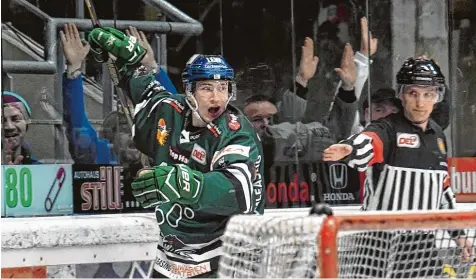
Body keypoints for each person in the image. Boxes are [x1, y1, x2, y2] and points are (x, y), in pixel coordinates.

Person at [88, 27, 265, 278]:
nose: (217, 97)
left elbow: (240, 191)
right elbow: (143, 87)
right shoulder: (169, 109)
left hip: (227, 257)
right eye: (206, 88)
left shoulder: (236, 131)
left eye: (223, 87)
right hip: (175, 256)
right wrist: (127, 60)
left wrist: (181, 183)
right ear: (189, 90)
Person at [323, 57, 474, 277]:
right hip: (380, 246)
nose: (420, 103)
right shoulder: (388, 128)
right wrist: (349, 149)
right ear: (401, 94)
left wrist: (459, 235)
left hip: (423, 245)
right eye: (413, 93)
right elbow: (369, 141)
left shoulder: (438, 135)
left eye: (428, 94)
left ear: (437, 97)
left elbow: (442, 189)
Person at [61, 23, 178, 165]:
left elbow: (175, 116)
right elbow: (77, 127)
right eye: (124, 129)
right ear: (109, 137)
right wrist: (74, 68)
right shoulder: (100, 156)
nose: (133, 134)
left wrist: (150, 65)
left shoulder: (158, 156)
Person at [2, 91, 40, 165]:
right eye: (2, 120)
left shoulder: (39, 169)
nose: (9, 127)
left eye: (15, 119)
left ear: (26, 124)